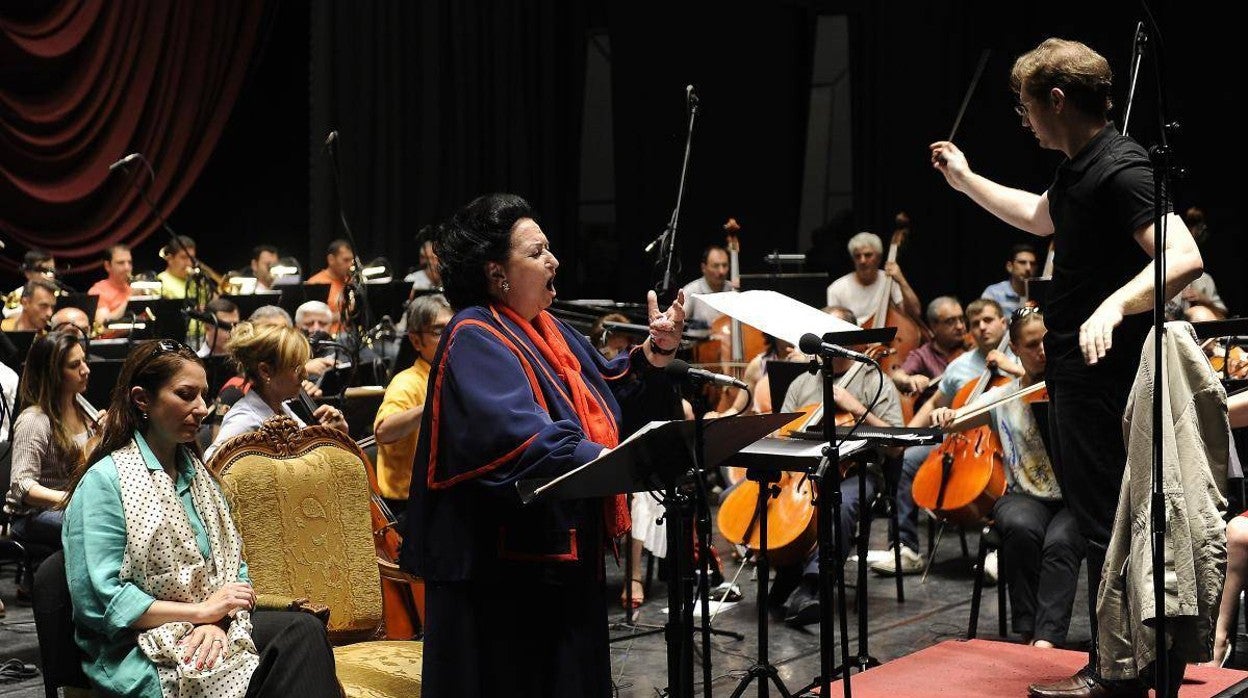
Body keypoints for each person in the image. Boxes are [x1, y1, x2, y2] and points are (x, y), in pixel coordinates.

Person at [930, 37, 1204, 698]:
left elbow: (1185, 257)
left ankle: (1123, 670)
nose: (1025, 122)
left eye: (1027, 108)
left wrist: (1115, 302)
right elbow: (1036, 215)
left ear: (1057, 99)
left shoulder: (1122, 166)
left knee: (1112, 522)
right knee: (1102, 521)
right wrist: (964, 179)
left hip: (1108, 375)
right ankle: (1132, 664)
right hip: (1079, 373)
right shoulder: (1080, 167)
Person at [398, 192, 684, 697]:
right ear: (495, 273)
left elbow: (606, 394)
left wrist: (655, 353)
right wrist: (612, 461)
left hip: (558, 566)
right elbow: (523, 439)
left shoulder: (548, 328)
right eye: (536, 252)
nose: (554, 260)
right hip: (504, 582)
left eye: (549, 249)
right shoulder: (472, 335)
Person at [59, 339, 339, 697]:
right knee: (296, 646)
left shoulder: (199, 474)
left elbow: (234, 568)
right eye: (186, 395)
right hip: (138, 648)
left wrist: (219, 620)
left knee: (304, 632)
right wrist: (200, 613)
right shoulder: (103, 482)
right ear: (142, 399)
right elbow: (102, 603)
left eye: (203, 395)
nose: (202, 408)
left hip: (215, 624)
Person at [930, 307, 1084, 648]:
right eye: (1031, 345)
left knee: (1061, 542)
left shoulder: (1076, 390)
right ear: (1014, 348)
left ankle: (1047, 639)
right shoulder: (1002, 395)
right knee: (1021, 529)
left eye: (1046, 342)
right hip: (1023, 495)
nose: (1041, 351)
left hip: (1073, 498)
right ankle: (1028, 630)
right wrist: (944, 414)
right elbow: (955, 419)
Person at [775, 305, 904, 627]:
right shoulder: (802, 383)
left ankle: (813, 586)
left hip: (857, 473)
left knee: (842, 505)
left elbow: (897, 446)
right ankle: (786, 567)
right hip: (804, 474)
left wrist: (856, 407)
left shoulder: (876, 380)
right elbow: (781, 437)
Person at [873, 298, 1021, 576]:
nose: (981, 328)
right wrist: (909, 437)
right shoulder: (960, 366)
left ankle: (998, 550)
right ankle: (905, 547)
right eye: (975, 323)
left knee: (1008, 472)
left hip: (1009, 440)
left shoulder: (1020, 358)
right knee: (907, 461)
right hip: (964, 438)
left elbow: (1039, 385)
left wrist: (1012, 368)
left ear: (1003, 323)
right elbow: (933, 403)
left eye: (988, 320)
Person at [5, 331, 96, 595]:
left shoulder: (83, 408)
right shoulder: (35, 421)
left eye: (84, 361)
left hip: (74, 506)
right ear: (52, 373)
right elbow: (21, 486)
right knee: (91, 526)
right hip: (35, 515)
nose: (85, 370)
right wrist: (70, 498)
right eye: (74, 365)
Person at [204, 322, 348, 462]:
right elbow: (211, 462)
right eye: (296, 368)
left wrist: (335, 435)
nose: (304, 375)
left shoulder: (282, 409)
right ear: (265, 371)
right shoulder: (246, 419)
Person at [372, 293, 451, 516]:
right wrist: (431, 405)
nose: (449, 337)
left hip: (446, 497)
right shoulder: (407, 382)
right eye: (438, 331)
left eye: (452, 327)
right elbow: (383, 432)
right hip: (409, 507)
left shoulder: (458, 375)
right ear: (416, 340)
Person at [825, 231, 921, 327]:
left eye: (868, 255)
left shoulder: (890, 280)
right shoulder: (836, 288)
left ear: (879, 258)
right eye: (857, 256)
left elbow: (915, 313)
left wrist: (901, 280)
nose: (862, 261)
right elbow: (833, 326)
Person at [889, 296, 968, 405]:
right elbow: (897, 376)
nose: (960, 326)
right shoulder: (923, 355)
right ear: (933, 326)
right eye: (950, 321)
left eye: (961, 319)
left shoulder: (972, 345)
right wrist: (909, 380)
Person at [1165, 207, 1227, 320]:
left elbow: (1222, 314)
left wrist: (1204, 300)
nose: (1192, 233)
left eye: (1197, 228)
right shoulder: (1166, 276)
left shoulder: (1205, 280)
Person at [306, 239, 355, 333]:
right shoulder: (316, 282)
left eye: (351, 261)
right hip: (328, 339)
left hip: (351, 338)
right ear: (331, 259)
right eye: (345, 260)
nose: (350, 265)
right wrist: (346, 313)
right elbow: (312, 319)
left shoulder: (350, 282)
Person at [681, 244, 735, 328]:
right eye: (716, 266)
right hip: (699, 340)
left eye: (725, 265)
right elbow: (679, 323)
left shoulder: (734, 290)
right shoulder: (691, 291)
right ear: (703, 268)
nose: (721, 271)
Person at [980, 244, 1037, 316]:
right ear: (1009, 266)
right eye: (1022, 262)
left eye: (1033, 263)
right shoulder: (993, 293)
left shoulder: (1039, 295)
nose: (1028, 268)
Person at [3, 249, 57, 319]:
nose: (50, 275)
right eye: (43, 270)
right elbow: (16, 323)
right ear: (28, 273)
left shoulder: (64, 296)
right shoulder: (16, 295)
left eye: (52, 270)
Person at [88, 244, 134, 326]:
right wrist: (131, 299)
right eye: (121, 263)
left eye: (129, 262)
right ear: (107, 266)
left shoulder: (133, 288)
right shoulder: (98, 291)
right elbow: (103, 323)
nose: (127, 268)